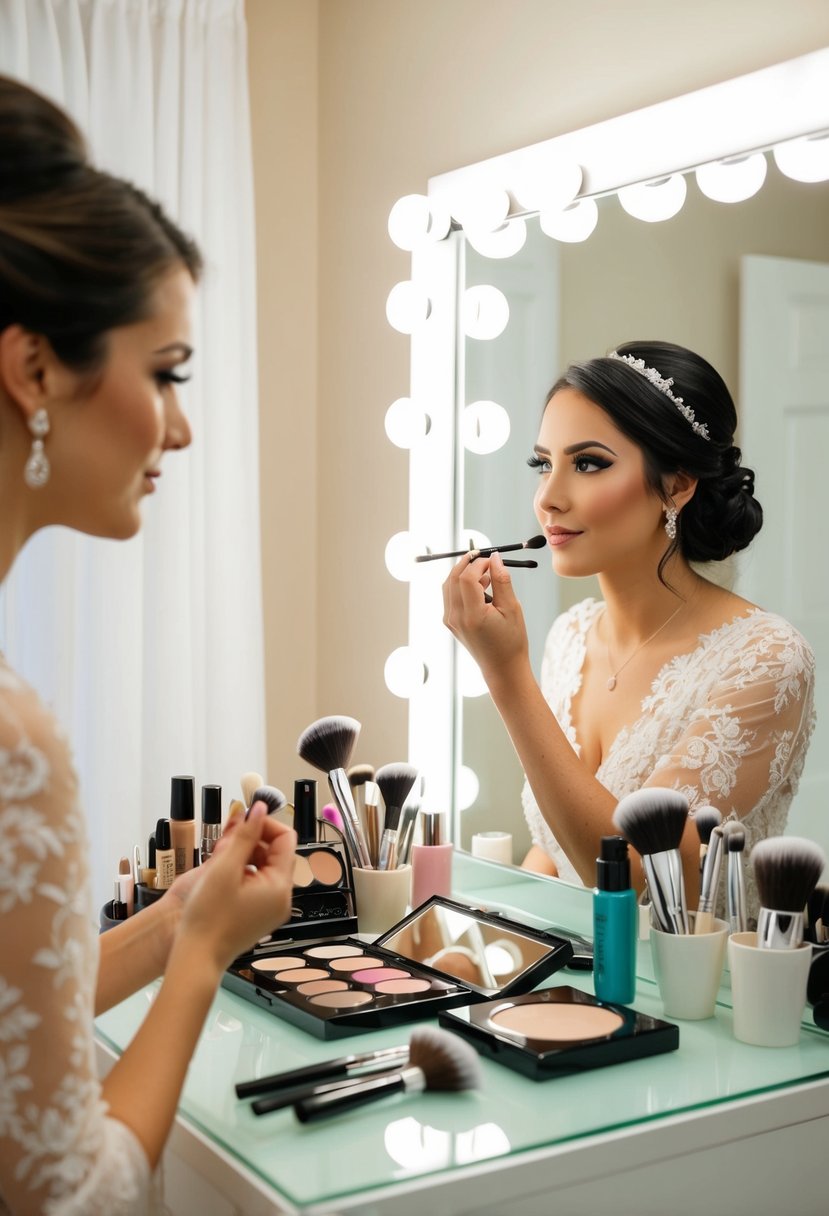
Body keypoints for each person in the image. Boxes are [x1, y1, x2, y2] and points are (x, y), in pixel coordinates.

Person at [0, 77, 296, 1214]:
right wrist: (201, 962)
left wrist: (182, 913)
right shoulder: (14, 735)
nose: (182, 423)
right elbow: (70, 1197)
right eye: (165, 372)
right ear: (35, 370)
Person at [443, 340, 815, 917]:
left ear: (678, 484)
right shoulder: (570, 636)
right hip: (572, 988)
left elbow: (639, 876)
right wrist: (478, 945)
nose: (548, 497)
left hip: (691, 998)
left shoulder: (766, 658)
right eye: (543, 463)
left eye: (588, 463)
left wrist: (503, 673)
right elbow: (555, 852)